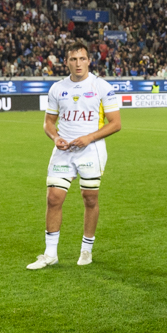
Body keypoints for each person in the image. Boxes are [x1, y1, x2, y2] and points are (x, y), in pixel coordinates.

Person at [27, 41, 122, 270]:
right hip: (64, 151)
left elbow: (116, 123)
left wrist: (89, 138)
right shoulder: (57, 88)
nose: (78, 63)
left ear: (89, 60)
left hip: (91, 150)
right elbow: (48, 122)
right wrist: (55, 137)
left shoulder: (101, 87)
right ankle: (50, 254)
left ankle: (86, 249)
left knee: (89, 199)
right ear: (66, 61)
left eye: (82, 59)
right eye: (73, 59)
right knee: (53, 198)